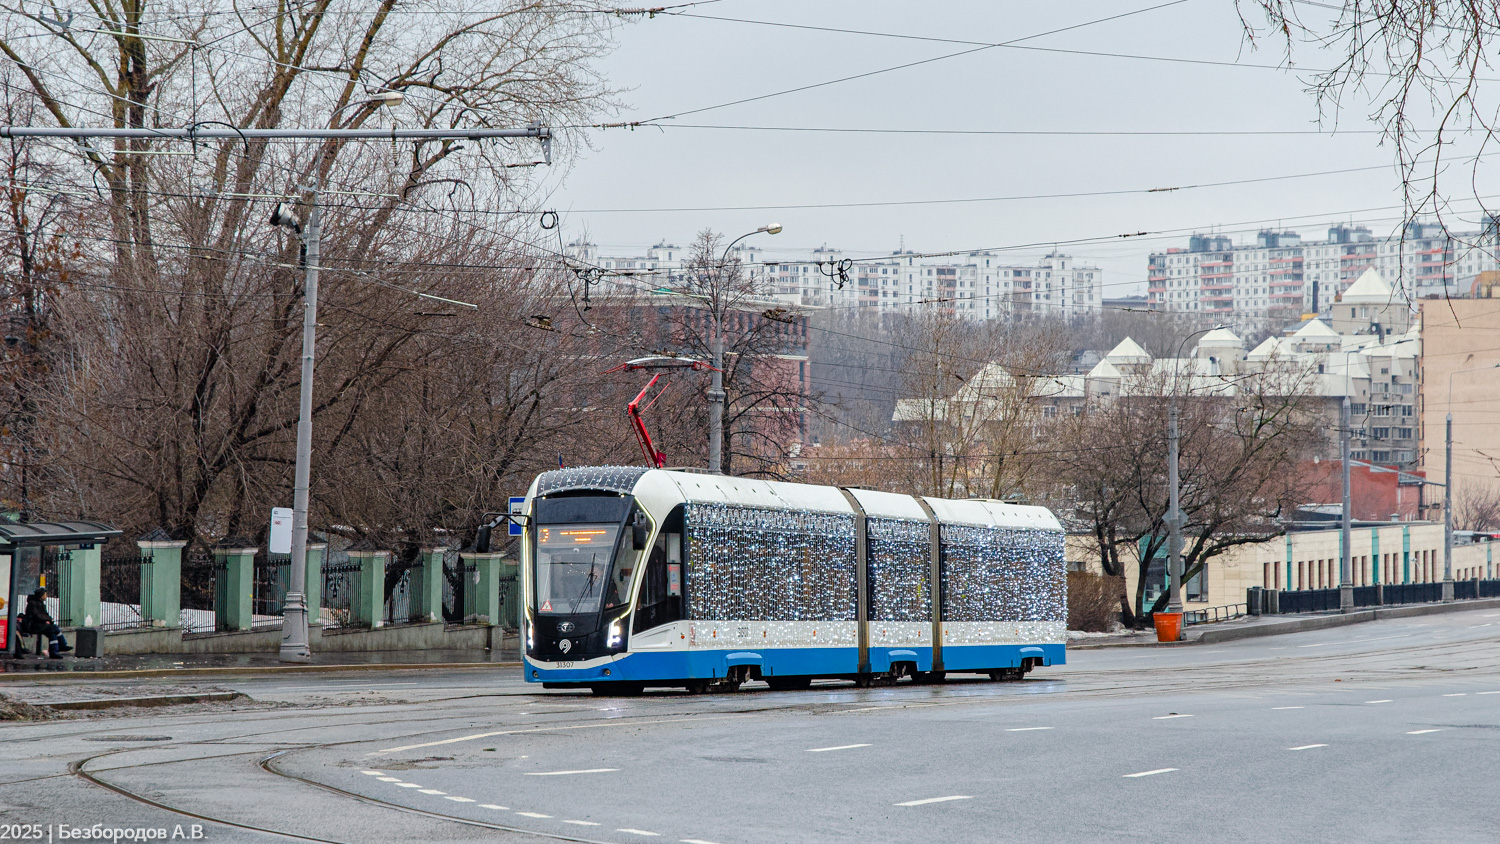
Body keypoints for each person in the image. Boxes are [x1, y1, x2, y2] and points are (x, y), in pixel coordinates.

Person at [21, 588, 71, 658]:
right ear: (41, 595)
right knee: (53, 628)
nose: (46, 596)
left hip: (39, 624)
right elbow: (37, 615)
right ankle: (60, 647)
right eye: (45, 594)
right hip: (32, 625)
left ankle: (55, 651)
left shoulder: (40, 603)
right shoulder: (33, 603)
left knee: (52, 632)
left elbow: (44, 614)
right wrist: (48, 620)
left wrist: (49, 620)